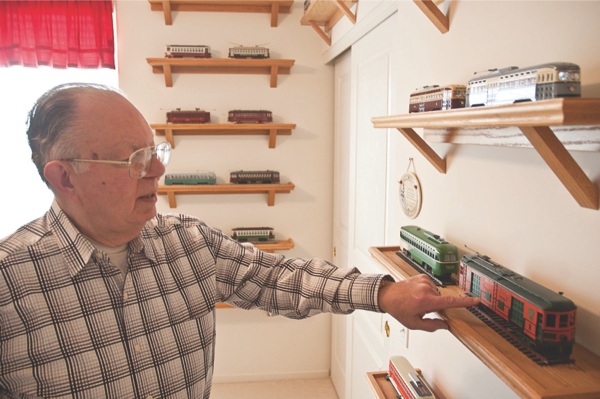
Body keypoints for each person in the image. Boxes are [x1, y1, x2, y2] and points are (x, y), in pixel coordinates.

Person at [0, 83, 479, 399]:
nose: (158, 171)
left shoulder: (187, 243)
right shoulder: (9, 286)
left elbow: (276, 277)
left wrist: (380, 293)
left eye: (154, 150)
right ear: (64, 178)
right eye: (133, 159)